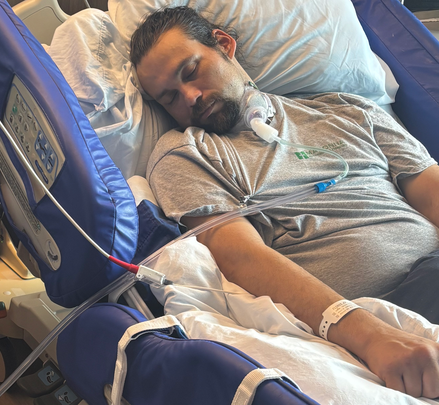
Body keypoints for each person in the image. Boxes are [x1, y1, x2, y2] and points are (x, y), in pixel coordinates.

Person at [131, 6, 439, 399]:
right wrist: (373, 337)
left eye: (191, 71)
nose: (190, 97)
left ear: (223, 45)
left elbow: (432, 192)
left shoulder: (351, 110)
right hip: (383, 314)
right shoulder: (186, 153)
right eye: (170, 97)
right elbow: (241, 257)